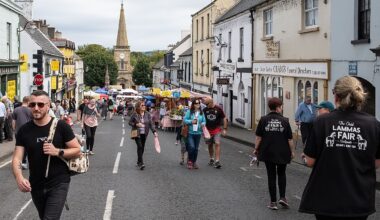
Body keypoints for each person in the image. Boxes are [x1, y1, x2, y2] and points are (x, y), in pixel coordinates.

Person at [299, 76, 380, 220]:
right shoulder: (373, 124)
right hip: (359, 198)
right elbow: (376, 163)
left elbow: (310, 161)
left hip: (326, 199)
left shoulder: (322, 121)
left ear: (336, 96)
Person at [11, 90, 81, 220]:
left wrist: (58, 151)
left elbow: (77, 149)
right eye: (32, 105)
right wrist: (19, 177)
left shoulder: (61, 126)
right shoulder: (24, 130)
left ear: (48, 106)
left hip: (58, 182)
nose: (36, 108)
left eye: (40, 104)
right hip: (36, 184)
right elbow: (17, 157)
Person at [253, 97, 294, 210]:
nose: (281, 108)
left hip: (267, 151)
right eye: (281, 107)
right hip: (282, 152)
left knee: (271, 176)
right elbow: (289, 139)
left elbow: (259, 137)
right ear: (277, 108)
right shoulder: (285, 121)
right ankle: (283, 197)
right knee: (281, 173)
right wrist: (292, 151)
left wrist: (256, 149)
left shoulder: (263, 119)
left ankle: (273, 202)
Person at [129, 101, 157, 170]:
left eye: (144, 105)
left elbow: (151, 124)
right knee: (140, 146)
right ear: (138, 107)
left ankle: (139, 161)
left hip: (144, 133)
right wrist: (136, 124)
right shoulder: (135, 114)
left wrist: (154, 131)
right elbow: (129, 122)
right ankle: (141, 163)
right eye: (142, 105)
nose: (144, 106)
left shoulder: (147, 114)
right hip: (136, 133)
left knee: (142, 148)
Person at [202, 98, 228, 169]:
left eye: (207, 104)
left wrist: (225, 129)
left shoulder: (218, 109)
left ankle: (217, 161)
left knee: (217, 143)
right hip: (207, 130)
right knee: (210, 144)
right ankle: (211, 158)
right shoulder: (205, 110)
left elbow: (224, 118)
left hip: (217, 129)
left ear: (211, 102)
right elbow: (201, 118)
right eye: (205, 104)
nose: (206, 106)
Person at [183, 99, 206, 169]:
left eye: (198, 104)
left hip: (198, 133)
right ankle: (190, 161)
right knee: (192, 147)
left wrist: (202, 124)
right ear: (193, 104)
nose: (197, 105)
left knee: (196, 149)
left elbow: (204, 121)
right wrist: (191, 121)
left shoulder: (201, 113)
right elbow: (185, 120)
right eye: (196, 104)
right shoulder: (190, 112)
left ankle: (194, 162)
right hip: (191, 133)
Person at [12, 96, 33, 169]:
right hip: (28, 131)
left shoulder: (16, 110)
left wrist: (14, 130)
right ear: (28, 102)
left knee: (18, 146)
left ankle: (17, 161)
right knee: (26, 147)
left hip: (18, 131)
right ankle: (23, 162)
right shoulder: (31, 110)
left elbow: (13, 122)